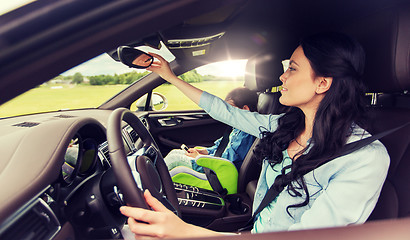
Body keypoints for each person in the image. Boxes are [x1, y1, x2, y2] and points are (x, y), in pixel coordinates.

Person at [119, 32, 389, 238]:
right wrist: (171, 77)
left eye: (292, 68)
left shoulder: (364, 158)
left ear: (322, 83)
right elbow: (225, 112)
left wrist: (187, 233)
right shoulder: (284, 125)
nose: (281, 77)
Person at [164, 87, 257, 173]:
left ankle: (153, 186)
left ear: (245, 109)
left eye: (230, 109)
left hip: (219, 172)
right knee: (175, 152)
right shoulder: (237, 128)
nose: (226, 114)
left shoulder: (246, 135)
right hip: (216, 164)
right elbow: (220, 147)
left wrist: (199, 157)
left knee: (173, 160)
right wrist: (205, 151)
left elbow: (227, 160)